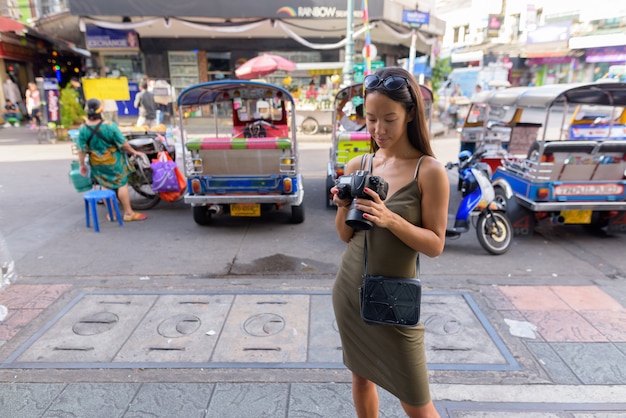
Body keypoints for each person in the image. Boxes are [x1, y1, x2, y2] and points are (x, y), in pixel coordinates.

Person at [330, 66, 448, 418]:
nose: (378, 130)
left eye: (389, 120)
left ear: (410, 115)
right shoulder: (360, 164)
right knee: (361, 379)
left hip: (396, 301)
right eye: (370, 119)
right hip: (351, 291)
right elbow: (345, 235)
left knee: (417, 401)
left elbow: (435, 245)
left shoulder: (428, 171)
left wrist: (390, 218)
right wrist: (342, 206)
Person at [76, 98, 148, 222]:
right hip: (114, 162)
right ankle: (128, 213)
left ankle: (112, 214)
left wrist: (81, 164)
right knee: (122, 184)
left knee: (105, 185)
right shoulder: (109, 126)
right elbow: (123, 144)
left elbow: (81, 150)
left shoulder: (83, 129)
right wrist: (134, 152)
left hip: (97, 163)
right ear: (101, 111)